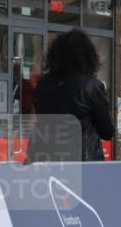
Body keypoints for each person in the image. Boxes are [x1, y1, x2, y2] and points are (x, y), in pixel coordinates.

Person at [27, 29, 114, 163]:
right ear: (88, 56)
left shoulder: (43, 83)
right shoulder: (91, 86)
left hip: (47, 160)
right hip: (83, 164)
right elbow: (107, 131)